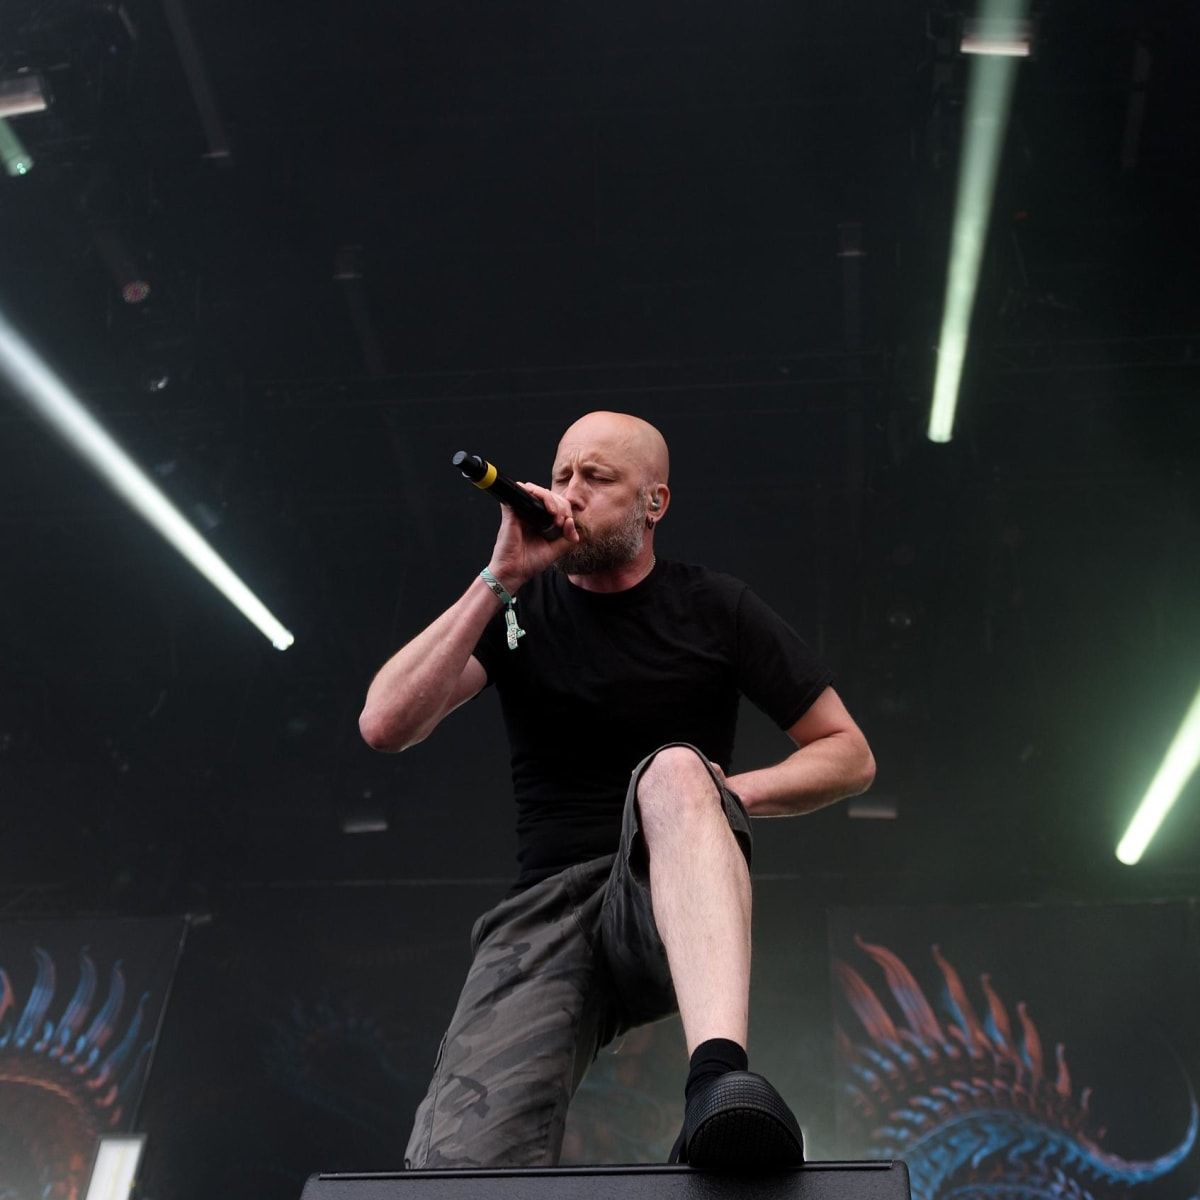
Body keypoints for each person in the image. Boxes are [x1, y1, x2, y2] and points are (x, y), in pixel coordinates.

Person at [359, 411, 875, 1171]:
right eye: (562, 474)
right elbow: (385, 724)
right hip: (547, 906)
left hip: (667, 889)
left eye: (597, 479)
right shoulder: (518, 610)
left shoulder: (715, 606)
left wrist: (716, 794)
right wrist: (498, 580)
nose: (570, 494)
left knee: (673, 768)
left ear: (653, 503)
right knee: (456, 1165)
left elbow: (848, 753)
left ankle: (717, 1085)